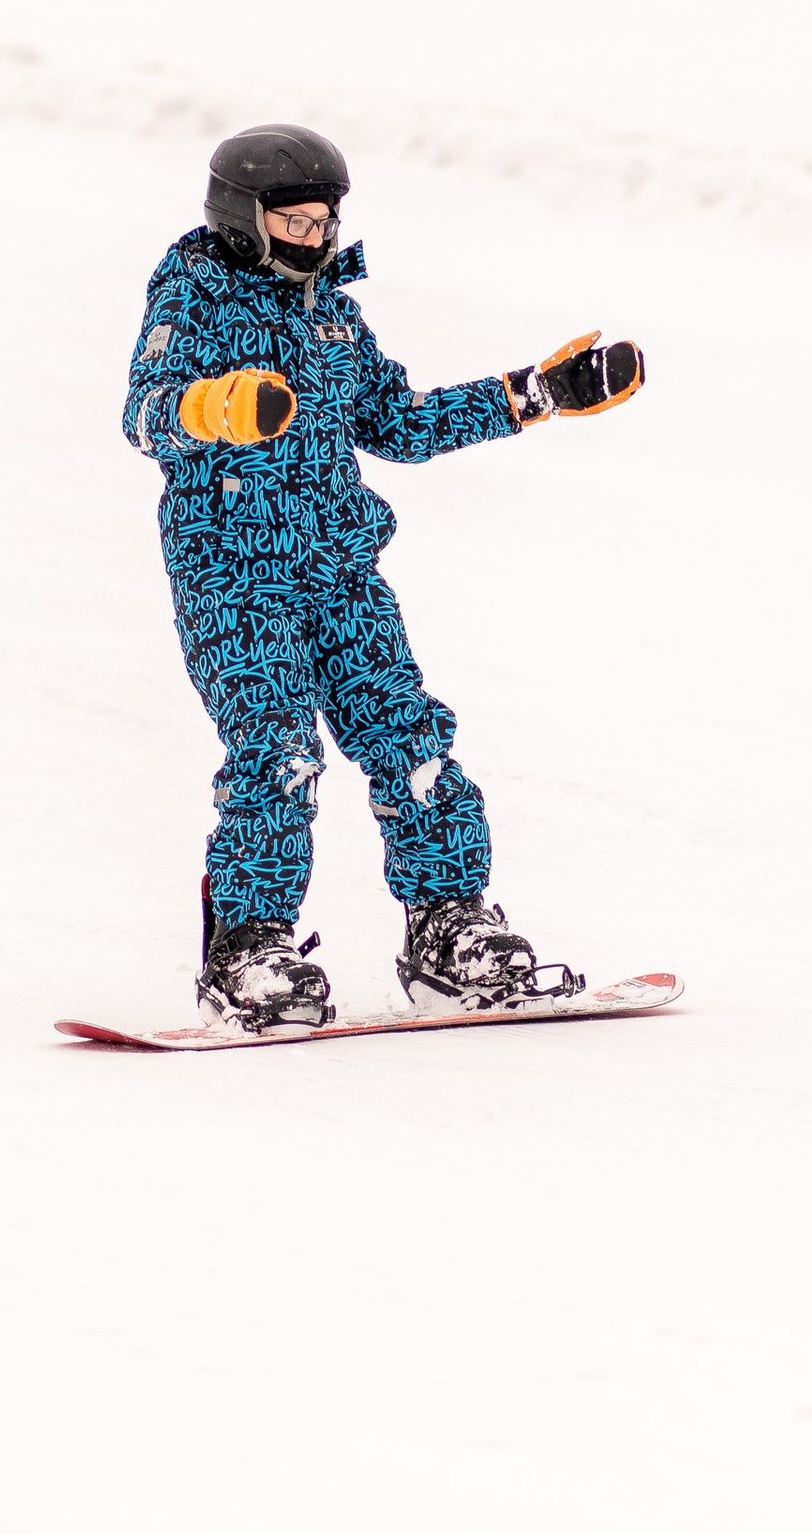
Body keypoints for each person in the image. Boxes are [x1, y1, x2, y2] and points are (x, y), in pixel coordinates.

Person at [124, 125, 644, 1033]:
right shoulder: (193, 293)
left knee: (411, 739)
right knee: (277, 752)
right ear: (242, 219)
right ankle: (249, 949)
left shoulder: (331, 311)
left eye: (326, 219)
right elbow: (144, 413)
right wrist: (215, 407)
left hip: (340, 568)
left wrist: (539, 393)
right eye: (294, 221)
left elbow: (397, 423)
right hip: (233, 571)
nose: (315, 236)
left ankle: (449, 929)